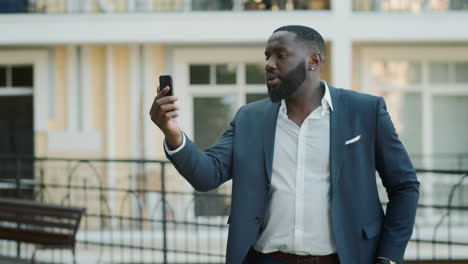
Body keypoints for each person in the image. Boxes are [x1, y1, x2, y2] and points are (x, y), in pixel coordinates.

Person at [149, 25, 419, 264]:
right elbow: (207, 175)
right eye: (267, 56)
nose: (269, 63)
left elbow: (404, 186)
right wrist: (172, 133)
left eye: (281, 55)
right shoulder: (250, 118)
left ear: (313, 60)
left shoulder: (365, 111)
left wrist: (389, 257)